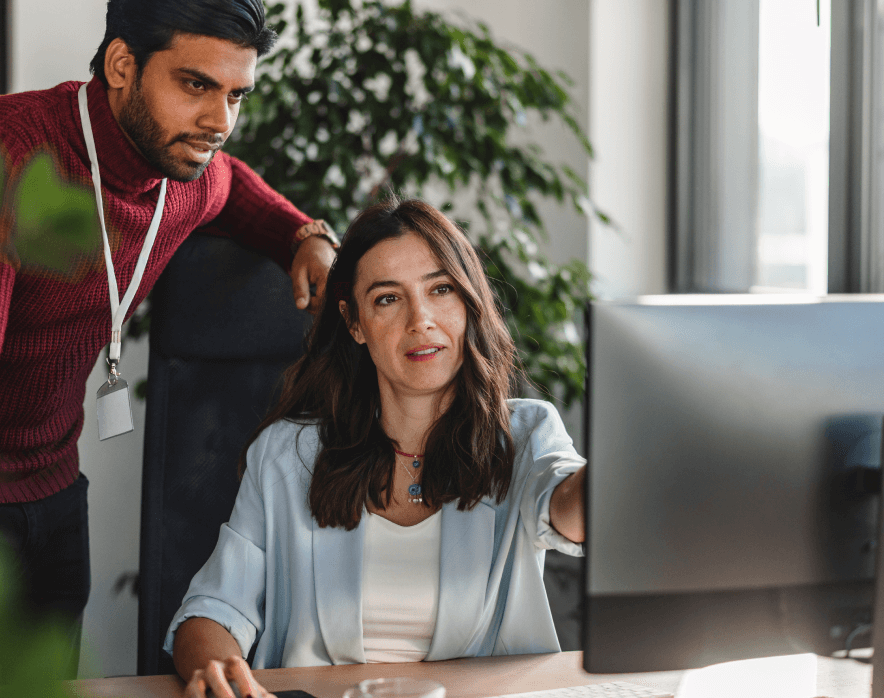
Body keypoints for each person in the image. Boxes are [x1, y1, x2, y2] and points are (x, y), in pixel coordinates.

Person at [0, 0, 338, 687]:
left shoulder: (183, 167)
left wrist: (305, 235)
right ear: (122, 65)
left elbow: (234, 185)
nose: (220, 120)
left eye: (236, 94)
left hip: (51, 492)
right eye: (195, 84)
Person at [165, 198, 588, 696]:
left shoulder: (525, 433)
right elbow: (212, 612)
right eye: (389, 298)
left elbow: (571, 509)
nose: (421, 320)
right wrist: (221, 674)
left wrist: (631, 450)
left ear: (469, 303)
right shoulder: (286, 454)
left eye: (442, 289)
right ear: (354, 322)